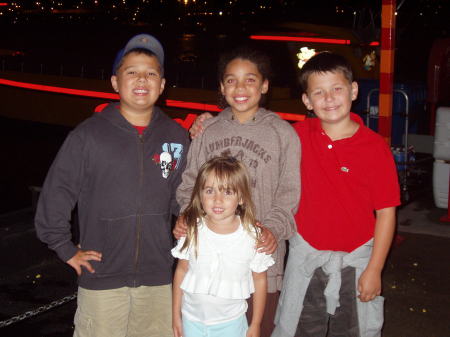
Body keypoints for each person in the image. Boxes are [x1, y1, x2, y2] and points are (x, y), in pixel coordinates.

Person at [34, 33, 190, 337]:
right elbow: (57, 193)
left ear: (162, 84)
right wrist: (65, 248)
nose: (141, 79)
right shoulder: (88, 135)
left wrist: (185, 214)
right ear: (115, 82)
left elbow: (179, 194)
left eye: (151, 73)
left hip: (157, 276)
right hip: (101, 275)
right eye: (131, 72)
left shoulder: (176, 136)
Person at [271, 52, 401, 337]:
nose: (329, 98)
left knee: (357, 331)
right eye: (318, 92)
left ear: (353, 91)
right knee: (295, 328)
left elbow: (387, 212)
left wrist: (375, 269)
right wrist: (205, 121)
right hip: (306, 257)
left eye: (337, 89)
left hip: (357, 261)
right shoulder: (296, 135)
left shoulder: (374, 147)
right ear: (307, 100)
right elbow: (253, 129)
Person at [174, 47, 301, 337]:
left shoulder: (283, 134)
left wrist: (272, 229)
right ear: (221, 86)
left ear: (265, 85)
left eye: (250, 80)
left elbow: (289, 193)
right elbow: (189, 183)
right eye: (231, 80)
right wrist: (186, 216)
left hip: (260, 265)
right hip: (209, 265)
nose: (240, 88)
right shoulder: (208, 130)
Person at [172, 156, 275, 337]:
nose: (217, 200)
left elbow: (260, 280)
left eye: (227, 192)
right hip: (191, 321)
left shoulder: (253, 236)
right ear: (200, 194)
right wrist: (175, 317)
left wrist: (256, 324)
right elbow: (181, 271)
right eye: (210, 191)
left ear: (241, 197)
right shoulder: (192, 230)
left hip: (231, 325)